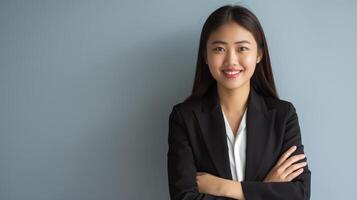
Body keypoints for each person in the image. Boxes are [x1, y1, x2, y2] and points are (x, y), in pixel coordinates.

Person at [167, 4, 311, 200]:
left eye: (242, 48)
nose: (231, 60)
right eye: (219, 49)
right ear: (205, 56)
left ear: (259, 53)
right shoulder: (184, 117)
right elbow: (183, 197)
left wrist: (223, 187)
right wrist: (265, 189)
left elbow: (299, 194)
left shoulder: (283, 115)